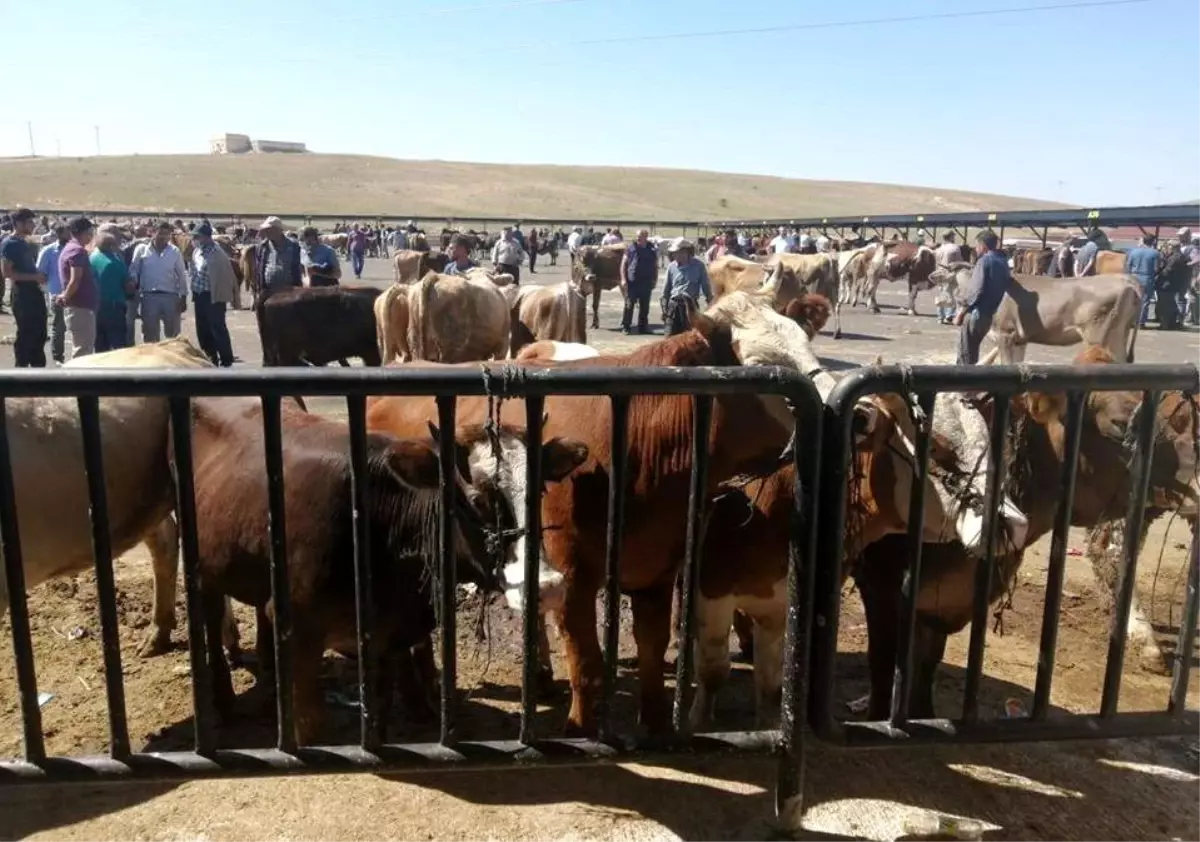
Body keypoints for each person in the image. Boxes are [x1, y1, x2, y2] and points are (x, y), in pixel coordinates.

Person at [954, 231, 1011, 365]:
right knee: (973, 349)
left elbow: (976, 291)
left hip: (976, 314)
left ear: (983, 246)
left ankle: (964, 382)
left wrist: (961, 312)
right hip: (990, 315)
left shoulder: (984, 261)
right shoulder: (1003, 262)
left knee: (966, 353)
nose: (976, 249)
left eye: (977, 246)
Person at [1, 208, 47, 366]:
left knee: (39, 333)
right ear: (19, 224)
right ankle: (21, 372)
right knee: (26, 334)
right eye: (29, 222)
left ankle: (37, 371)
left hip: (33, 292)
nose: (33, 225)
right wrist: (34, 277)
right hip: (22, 294)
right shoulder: (10, 244)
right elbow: (7, 272)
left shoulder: (24, 243)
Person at [129, 221, 188, 342]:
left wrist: (183, 298)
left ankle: (173, 360)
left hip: (170, 297)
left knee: (173, 336)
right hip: (149, 297)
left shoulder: (175, 252)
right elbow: (134, 269)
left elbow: (182, 276)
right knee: (150, 335)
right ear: (153, 233)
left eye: (167, 234)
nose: (163, 237)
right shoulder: (141, 250)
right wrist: (133, 281)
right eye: (160, 233)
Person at [189, 222, 237, 366]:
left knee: (217, 328)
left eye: (197, 236)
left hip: (213, 295)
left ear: (206, 237)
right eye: (194, 236)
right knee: (202, 329)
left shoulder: (217, 254)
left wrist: (226, 295)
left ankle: (226, 360)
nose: (195, 239)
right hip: (199, 296)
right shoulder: (196, 252)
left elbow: (225, 276)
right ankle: (210, 358)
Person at [56, 216, 99, 359]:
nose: (92, 235)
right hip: (80, 307)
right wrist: (66, 295)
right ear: (84, 232)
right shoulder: (77, 251)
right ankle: (78, 380)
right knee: (83, 351)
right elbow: (75, 279)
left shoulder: (71, 248)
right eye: (90, 231)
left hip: (78, 307)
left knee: (82, 348)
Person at [89, 231, 131, 352]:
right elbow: (128, 284)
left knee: (100, 345)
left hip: (95, 307)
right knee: (118, 345)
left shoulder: (91, 258)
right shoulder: (115, 262)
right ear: (112, 246)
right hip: (114, 307)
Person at [661, 238, 712, 336]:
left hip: (691, 306)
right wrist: (664, 309)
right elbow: (666, 289)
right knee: (670, 336)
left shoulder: (698, 266)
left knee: (690, 337)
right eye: (674, 253)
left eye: (676, 252)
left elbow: (706, 286)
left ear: (685, 252)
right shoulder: (671, 267)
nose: (674, 255)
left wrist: (710, 302)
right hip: (674, 305)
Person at [36, 224, 69, 363]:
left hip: (73, 293)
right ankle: (58, 357)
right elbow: (40, 273)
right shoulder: (48, 251)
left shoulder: (74, 249)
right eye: (68, 233)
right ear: (60, 234)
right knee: (59, 327)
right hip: (56, 294)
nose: (70, 235)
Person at [619, 229, 658, 334]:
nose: (638, 238)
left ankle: (643, 327)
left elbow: (655, 265)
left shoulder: (652, 249)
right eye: (637, 236)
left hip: (646, 282)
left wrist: (655, 279)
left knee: (645, 306)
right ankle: (626, 326)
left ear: (646, 236)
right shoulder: (630, 248)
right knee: (629, 305)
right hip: (632, 282)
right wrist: (623, 279)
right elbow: (623, 264)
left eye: (640, 236)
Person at [255, 216, 303, 299]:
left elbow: (300, 267)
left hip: (290, 291)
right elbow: (259, 268)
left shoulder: (294, 245)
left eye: (269, 229)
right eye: (265, 229)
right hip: (268, 291)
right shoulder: (262, 247)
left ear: (279, 230)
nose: (266, 232)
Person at [1124, 234, 1160, 327]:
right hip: (1147, 278)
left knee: (1132, 300)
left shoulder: (1133, 252)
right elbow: (1156, 268)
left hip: (1133, 277)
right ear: (1153, 242)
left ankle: (1130, 320)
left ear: (1143, 240)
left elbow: (1128, 266)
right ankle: (1140, 322)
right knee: (1145, 301)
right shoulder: (1155, 253)